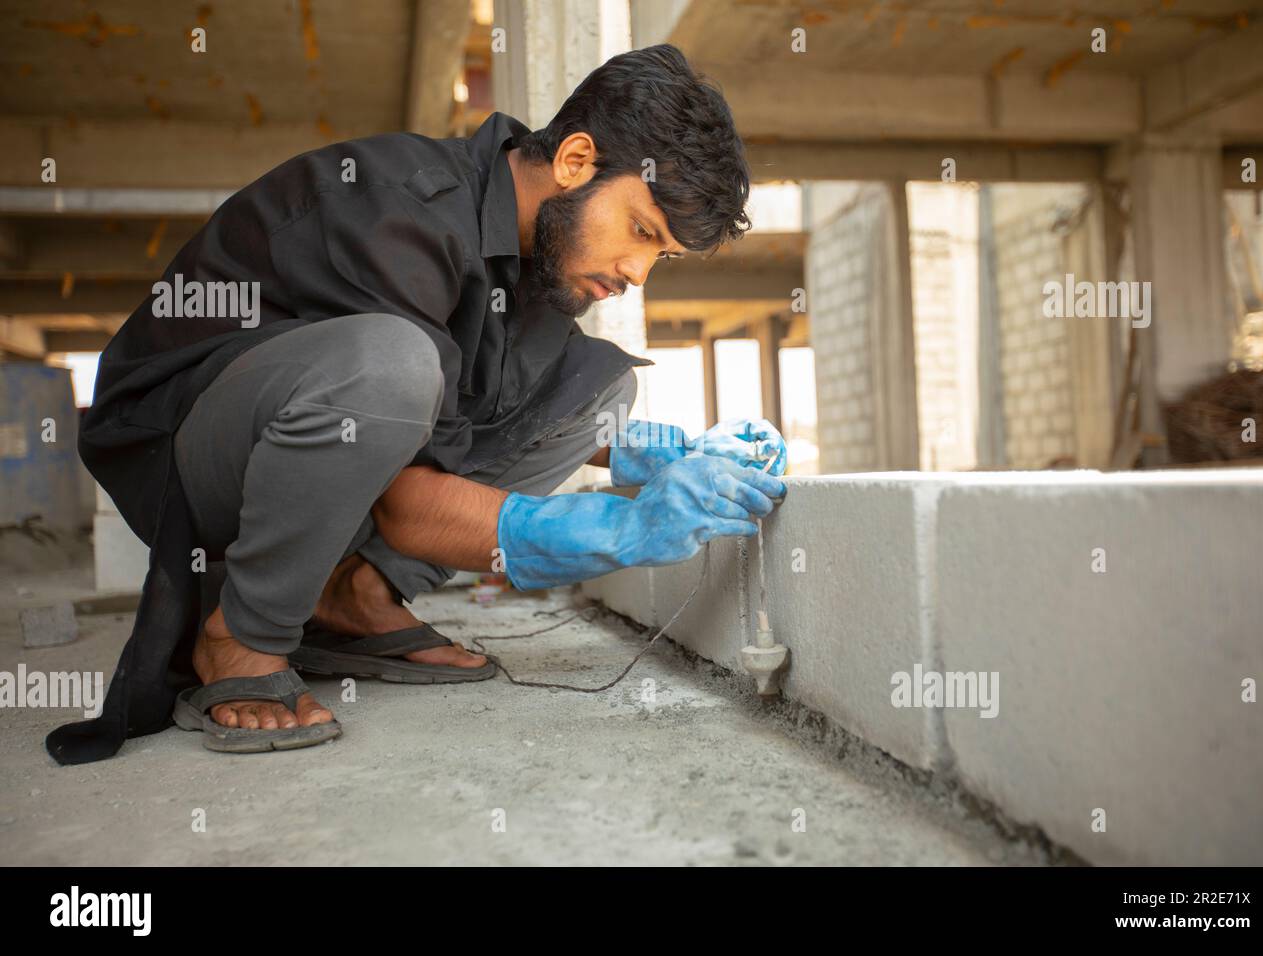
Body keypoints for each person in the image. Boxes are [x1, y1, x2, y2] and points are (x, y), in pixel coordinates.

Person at [47, 44, 787, 763]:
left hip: (316, 433)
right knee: (391, 368)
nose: (636, 272)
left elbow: (473, 418)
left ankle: (353, 593)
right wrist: (620, 525)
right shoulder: (399, 215)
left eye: (662, 257)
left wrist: (647, 449)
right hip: (180, 445)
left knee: (600, 388)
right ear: (575, 162)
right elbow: (401, 483)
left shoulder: (535, 252)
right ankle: (241, 635)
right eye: (642, 233)